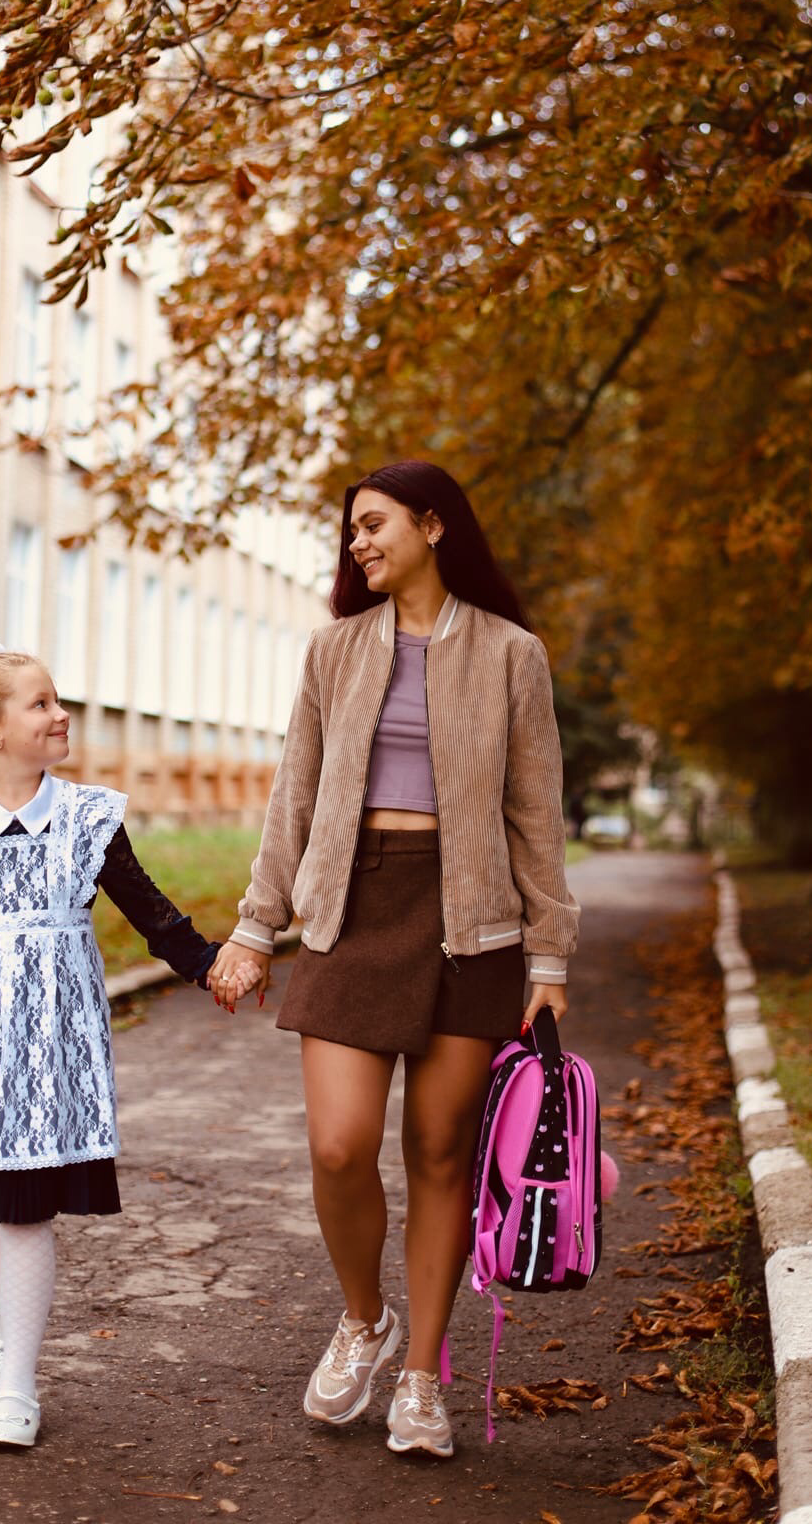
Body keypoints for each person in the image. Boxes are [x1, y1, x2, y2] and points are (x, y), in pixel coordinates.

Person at [207, 461, 579, 1458]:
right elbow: (295, 794)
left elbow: (535, 815)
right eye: (350, 531)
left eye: (373, 525)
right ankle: (361, 1320)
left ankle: (420, 1373)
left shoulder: (511, 654)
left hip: (473, 922)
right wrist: (255, 925)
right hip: (353, 905)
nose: (357, 543)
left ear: (432, 523)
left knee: (441, 1157)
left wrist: (547, 959)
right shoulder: (335, 649)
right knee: (338, 1145)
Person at [0, 631, 259, 1449]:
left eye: (58, 700)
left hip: (57, 1049)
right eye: (41, 703)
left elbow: (148, 908)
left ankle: (16, 1391)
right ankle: (8, 1305)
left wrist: (212, 966)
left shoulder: (87, 817)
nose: (61, 714)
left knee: (24, 1219)